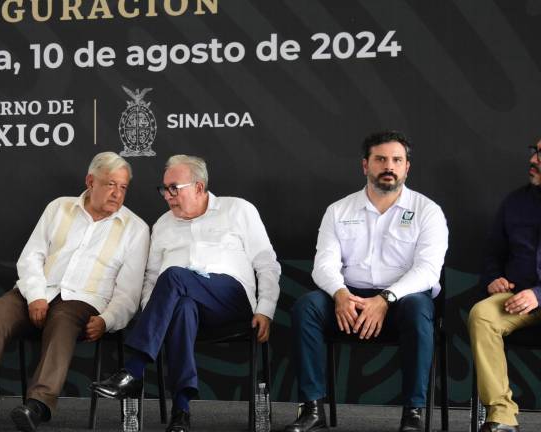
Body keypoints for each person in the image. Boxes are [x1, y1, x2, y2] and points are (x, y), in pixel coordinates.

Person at [0, 152, 149, 432]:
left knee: (62, 321)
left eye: (123, 187)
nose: (117, 193)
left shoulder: (136, 229)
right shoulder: (59, 208)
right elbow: (31, 257)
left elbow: (129, 293)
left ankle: (37, 405)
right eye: (110, 184)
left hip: (84, 301)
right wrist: (36, 295)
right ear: (90, 181)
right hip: (37, 292)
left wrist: (108, 320)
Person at [91, 154, 281, 432]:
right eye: (164, 189)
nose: (167, 196)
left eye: (174, 188)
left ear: (199, 187)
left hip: (231, 301)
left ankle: (134, 370)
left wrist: (265, 308)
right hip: (186, 305)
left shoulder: (238, 210)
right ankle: (181, 412)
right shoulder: (163, 225)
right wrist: (158, 311)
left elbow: (266, 263)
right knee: (182, 308)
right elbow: (151, 280)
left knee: (175, 275)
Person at [279, 131, 448, 432]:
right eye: (380, 159)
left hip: (402, 301)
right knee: (307, 307)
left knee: (419, 310)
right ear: (365, 165)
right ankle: (312, 410)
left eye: (397, 160)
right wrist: (340, 294)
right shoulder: (338, 210)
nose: (389, 166)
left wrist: (385, 299)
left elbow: (428, 270)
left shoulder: (428, 211)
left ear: (407, 167)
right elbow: (324, 265)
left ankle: (414, 414)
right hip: (349, 301)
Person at [467, 139, 541, 432]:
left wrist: (537, 295)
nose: (533, 159)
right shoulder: (514, 203)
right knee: (482, 315)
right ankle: (501, 415)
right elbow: (492, 255)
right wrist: (493, 279)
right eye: (533, 151)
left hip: (534, 297)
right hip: (513, 298)